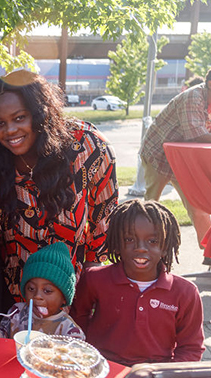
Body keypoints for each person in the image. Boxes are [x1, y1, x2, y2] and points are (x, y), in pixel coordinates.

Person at [0, 70, 118, 323]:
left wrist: (92, 295)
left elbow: (103, 229)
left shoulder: (89, 147)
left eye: (19, 118)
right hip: (21, 285)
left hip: (78, 284)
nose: (10, 131)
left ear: (41, 113)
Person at [70, 199, 204, 366]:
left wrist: (166, 374)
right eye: (129, 239)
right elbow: (77, 322)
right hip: (103, 368)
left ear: (165, 247)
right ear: (117, 244)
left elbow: (191, 348)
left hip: (156, 372)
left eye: (152, 241)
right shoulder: (94, 279)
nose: (141, 248)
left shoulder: (186, 292)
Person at [139, 69, 211, 249]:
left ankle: (209, 253)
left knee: (198, 206)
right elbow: (196, 135)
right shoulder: (193, 98)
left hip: (183, 161)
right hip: (158, 156)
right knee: (151, 205)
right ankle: (145, 248)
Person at [0, 242, 84, 340]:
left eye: (47, 291)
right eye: (31, 289)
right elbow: (4, 337)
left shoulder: (69, 330)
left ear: (64, 298)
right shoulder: (17, 313)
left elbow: (78, 355)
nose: (37, 296)